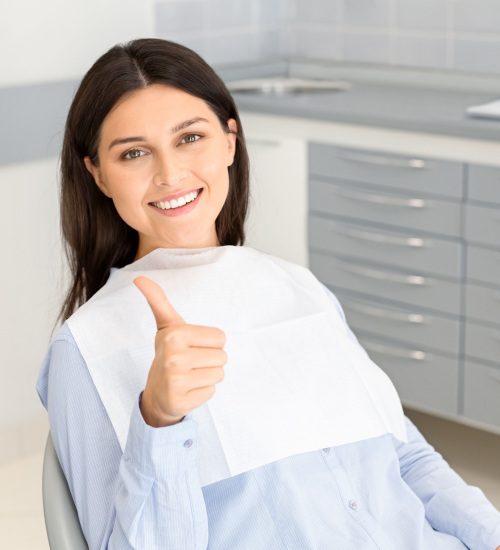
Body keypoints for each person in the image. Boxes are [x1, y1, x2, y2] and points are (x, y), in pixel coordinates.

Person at [36, 38, 500, 550]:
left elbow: (407, 456)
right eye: (135, 153)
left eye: (190, 138)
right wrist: (160, 421)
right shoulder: (87, 349)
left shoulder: (299, 287)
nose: (170, 175)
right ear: (98, 173)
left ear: (230, 142)